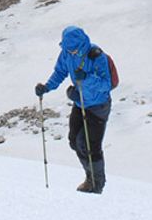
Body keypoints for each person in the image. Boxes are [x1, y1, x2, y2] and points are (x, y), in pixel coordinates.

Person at [35, 25, 113, 193]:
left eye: (73, 49)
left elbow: (106, 85)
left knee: (90, 146)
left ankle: (97, 183)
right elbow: (60, 72)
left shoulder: (96, 55)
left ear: (81, 44)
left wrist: (86, 79)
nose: (71, 52)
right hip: (80, 103)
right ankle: (90, 176)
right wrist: (47, 87)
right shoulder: (66, 54)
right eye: (68, 49)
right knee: (74, 141)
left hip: (98, 105)